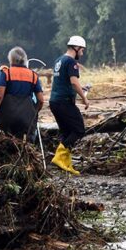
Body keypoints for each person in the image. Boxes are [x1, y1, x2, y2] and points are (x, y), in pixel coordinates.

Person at [49, 36, 89, 175]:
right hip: (64, 102)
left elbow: (64, 82)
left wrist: (81, 89)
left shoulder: (58, 60)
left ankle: (66, 163)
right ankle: (59, 157)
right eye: (82, 50)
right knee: (79, 130)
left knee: (67, 132)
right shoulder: (71, 62)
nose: (82, 54)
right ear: (76, 48)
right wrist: (84, 98)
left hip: (54, 102)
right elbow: (73, 82)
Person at [0, 47, 44, 140]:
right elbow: (41, 100)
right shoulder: (33, 75)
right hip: (26, 119)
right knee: (25, 144)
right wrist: (34, 112)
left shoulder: (6, 73)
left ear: (11, 59)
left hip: (6, 119)